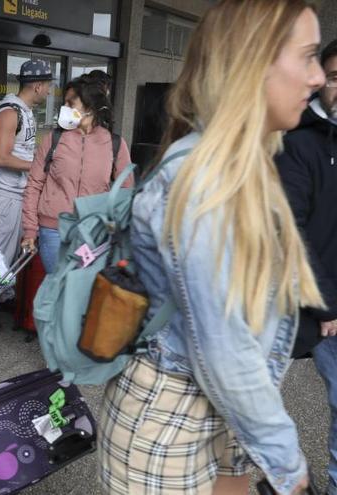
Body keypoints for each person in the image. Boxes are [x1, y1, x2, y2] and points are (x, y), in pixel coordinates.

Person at [99, 1, 325, 494]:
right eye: (307, 57)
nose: (317, 78)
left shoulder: (243, 164)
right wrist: (292, 471)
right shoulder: (207, 182)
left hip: (211, 412)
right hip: (169, 424)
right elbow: (226, 355)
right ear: (252, 63)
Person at [276, 38, 337, 495]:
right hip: (313, 301)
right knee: (250, 405)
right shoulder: (297, 140)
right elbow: (289, 231)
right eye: (335, 77)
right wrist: (328, 304)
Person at [21, 77, 131, 273]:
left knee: (81, 292)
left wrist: (114, 231)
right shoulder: (54, 139)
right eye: (64, 102)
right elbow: (34, 184)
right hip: (53, 231)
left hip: (93, 234)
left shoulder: (114, 143)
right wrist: (30, 229)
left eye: (70, 102)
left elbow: (126, 191)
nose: (64, 107)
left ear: (90, 106)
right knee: (58, 289)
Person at [0, 59, 52, 330]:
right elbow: (3, 157)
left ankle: (1, 297)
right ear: (38, 85)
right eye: (48, 87)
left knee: (15, 254)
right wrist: (40, 165)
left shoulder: (26, 111)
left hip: (19, 194)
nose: (49, 92)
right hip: (5, 196)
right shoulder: (10, 112)